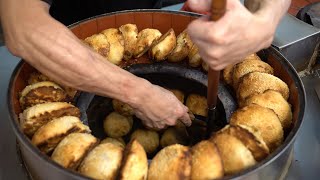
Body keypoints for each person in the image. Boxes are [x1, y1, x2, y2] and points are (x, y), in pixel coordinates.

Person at [0, 0, 290, 129]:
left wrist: (264, 20)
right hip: (69, 50)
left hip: (185, 23)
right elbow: (23, 27)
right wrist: (137, 93)